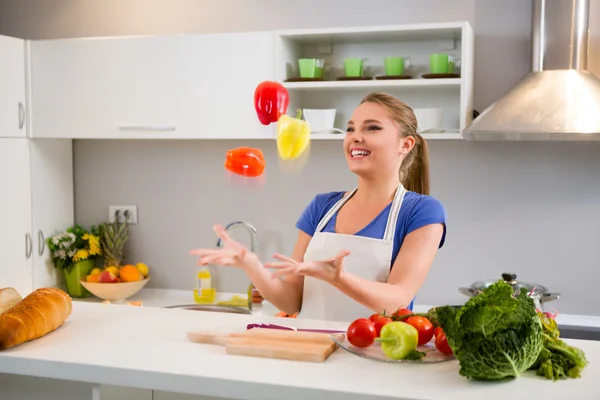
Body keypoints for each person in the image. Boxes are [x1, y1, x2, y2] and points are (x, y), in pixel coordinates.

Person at [190, 92, 447, 322]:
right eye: (350, 129)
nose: (355, 137)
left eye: (372, 128)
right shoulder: (323, 206)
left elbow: (397, 301)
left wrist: (339, 278)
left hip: (376, 357)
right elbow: (291, 300)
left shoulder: (422, 212)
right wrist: (251, 264)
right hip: (312, 351)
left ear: (406, 144)